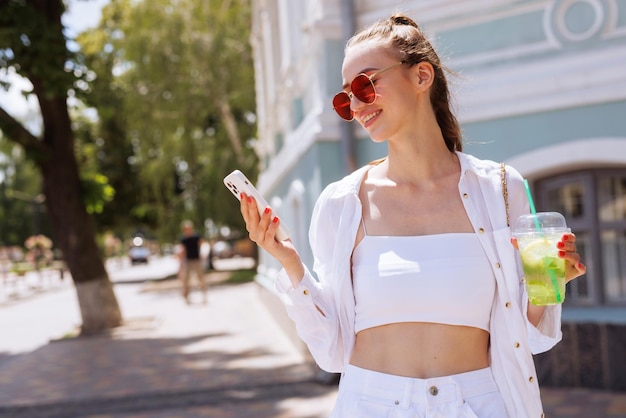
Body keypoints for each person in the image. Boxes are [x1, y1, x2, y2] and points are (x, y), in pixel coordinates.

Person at [239, 13, 586, 418]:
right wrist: (290, 264)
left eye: (365, 85)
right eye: (345, 96)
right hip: (370, 404)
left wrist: (550, 284)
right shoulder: (342, 203)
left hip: (479, 403)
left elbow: (530, 338)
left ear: (422, 77)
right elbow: (332, 352)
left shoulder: (500, 190)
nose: (354, 103)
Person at [178, 220, 207, 304]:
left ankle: (204, 294)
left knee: (201, 278)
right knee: (186, 280)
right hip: (188, 261)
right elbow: (183, 250)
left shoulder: (196, 236)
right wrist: (180, 262)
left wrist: (203, 253)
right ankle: (186, 296)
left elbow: (203, 244)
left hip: (197, 260)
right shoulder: (184, 239)